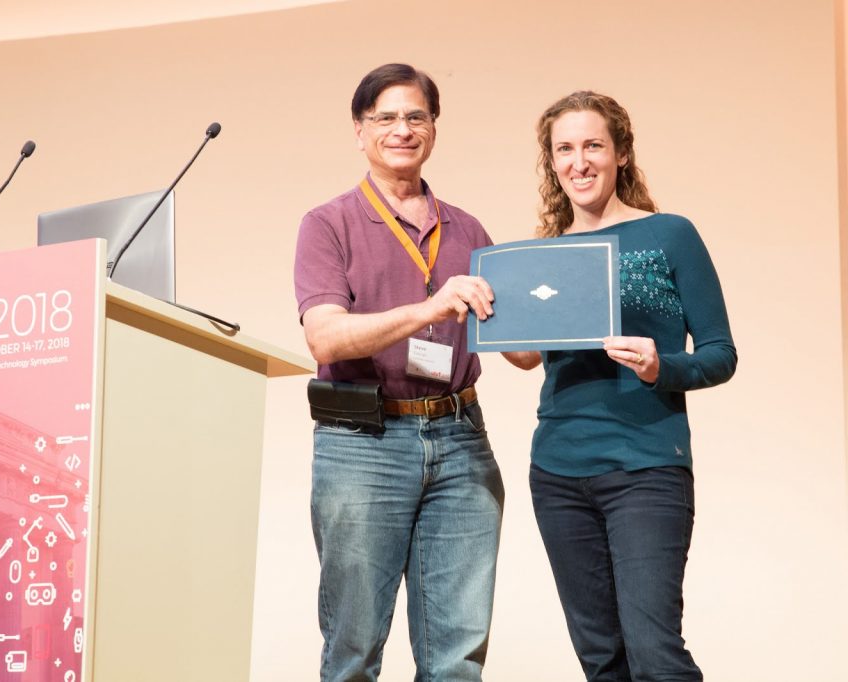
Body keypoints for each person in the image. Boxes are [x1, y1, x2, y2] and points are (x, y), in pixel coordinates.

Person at [506, 91, 737, 681]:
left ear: (622, 154)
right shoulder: (547, 256)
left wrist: (663, 367)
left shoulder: (670, 234)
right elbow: (530, 356)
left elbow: (719, 354)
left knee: (656, 655)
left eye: (592, 146)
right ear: (551, 162)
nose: (578, 161)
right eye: (564, 149)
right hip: (557, 472)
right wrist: (495, 326)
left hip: (646, 467)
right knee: (601, 660)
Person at [294, 63, 504, 681]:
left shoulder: (468, 229)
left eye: (416, 116)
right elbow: (324, 334)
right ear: (359, 131)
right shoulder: (327, 224)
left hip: (462, 439)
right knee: (354, 649)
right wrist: (429, 309)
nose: (402, 129)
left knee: (458, 657)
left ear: (433, 128)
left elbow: (519, 347)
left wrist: (558, 319)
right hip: (364, 443)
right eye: (385, 117)